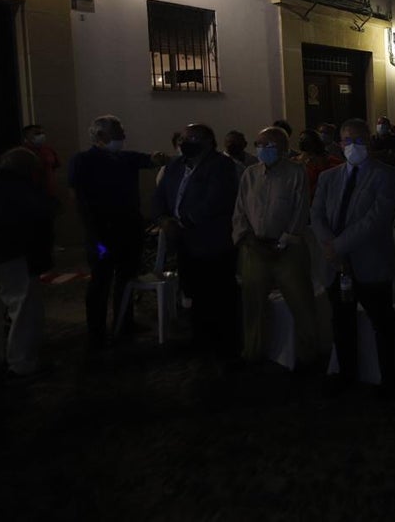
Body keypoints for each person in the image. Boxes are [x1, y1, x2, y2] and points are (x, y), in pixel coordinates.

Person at [310, 118, 395, 397]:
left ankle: (388, 379)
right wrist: (330, 247)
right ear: (339, 144)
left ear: (370, 142)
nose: (353, 146)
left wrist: (337, 246)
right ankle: (346, 373)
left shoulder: (385, 175)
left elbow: (375, 220)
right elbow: (317, 214)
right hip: (337, 266)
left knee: (382, 323)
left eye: (359, 140)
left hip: (370, 262)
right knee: (342, 321)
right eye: (348, 141)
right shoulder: (328, 177)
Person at [68, 115, 165, 351]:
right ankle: (96, 330)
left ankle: (125, 320)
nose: (122, 136)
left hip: (129, 230)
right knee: (101, 280)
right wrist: (94, 235)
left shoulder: (126, 158)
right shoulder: (82, 161)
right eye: (117, 132)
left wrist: (161, 158)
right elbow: (80, 199)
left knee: (126, 276)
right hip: (101, 233)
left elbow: (152, 160)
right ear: (100, 136)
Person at [232, 127, 318, 372]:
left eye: (268, 146)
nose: (262, 149)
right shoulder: (250, 175)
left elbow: (300, 212)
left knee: (301, 303)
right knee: (253, 305)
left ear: (281, 149)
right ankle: (253, 352)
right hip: (254, 248)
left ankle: (308, 355)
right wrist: (249, 240)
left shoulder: (295, 173)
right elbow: (240, 212)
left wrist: (282, 242)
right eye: (259, 144)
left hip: (286, 250)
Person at [152, 123, 239, 364]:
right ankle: (201, 339)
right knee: (194, 291)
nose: (187, 141)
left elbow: (216, 200)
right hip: (184, 242)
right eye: (184, 137)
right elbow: (160, 196)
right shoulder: (175, 165)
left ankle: (227, 347)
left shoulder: (221, 165)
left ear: (209, 142)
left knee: (219, 294)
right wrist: (163, 218)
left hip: (212, 240)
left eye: (194, 138)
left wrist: (183, 222)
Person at [0, 148, 55, 380]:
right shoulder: (14, 188)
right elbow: (27, 219)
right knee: (23, 309)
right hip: (10, 255)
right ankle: (22, 362)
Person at [296, 129, 342, 201]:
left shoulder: (330, 161)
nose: (301, 142)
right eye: (301, 139)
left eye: (306, 140)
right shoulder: (296, 162)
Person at [21, 124, 61, 203]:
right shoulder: (22, 152)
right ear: (26, 136)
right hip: (30, 196)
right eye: (37, 134)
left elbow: (53, 168)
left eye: (42, 133)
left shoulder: (48, 150)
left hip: (49, 193)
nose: (41, 136)